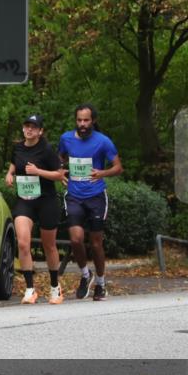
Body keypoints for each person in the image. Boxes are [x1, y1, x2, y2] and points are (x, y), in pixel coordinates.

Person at [58, 103, 123, 301]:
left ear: (93, 121)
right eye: (79, 120)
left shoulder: (103, 141)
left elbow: (118, 167)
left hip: (96, 196)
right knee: (76, 239)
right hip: (74, 195)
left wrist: (102, 173)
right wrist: (60, 170)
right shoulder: (66, 138)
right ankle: (86, 275)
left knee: (96, 244)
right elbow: (60, 157)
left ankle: (101, 284)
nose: (82, 124)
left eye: (86, 120)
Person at [5, 114, 66, 304]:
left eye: (33, 127)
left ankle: (55, 287)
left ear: (40, 131)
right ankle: (30, 290)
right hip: (25, 200)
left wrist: (38, 171)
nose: (29, 129)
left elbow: (59, 175)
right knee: (23, 243)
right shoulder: (17, 147)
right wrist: (10, 173)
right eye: (27, 126)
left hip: (46, 200)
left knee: (49, 245)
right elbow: (14, 163)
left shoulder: (46, 149)